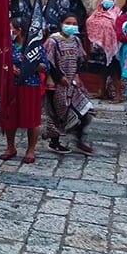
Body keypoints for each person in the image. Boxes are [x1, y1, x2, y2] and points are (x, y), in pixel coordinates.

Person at [44, 13, 94, 154]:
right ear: (61, 23)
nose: (71, 26)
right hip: (56, 83)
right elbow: (48, 61)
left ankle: (79, 140)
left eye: (74, 24)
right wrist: (59, 77)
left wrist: (76, 75)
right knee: (57, 113)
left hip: (73, 82)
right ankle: (54, 141)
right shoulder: (53, 41)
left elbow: (79, 59)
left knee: (84, 111)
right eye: (68, 23)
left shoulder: (75, 40)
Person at [1, 17, 47, 164]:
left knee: (31, 119)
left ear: (19, 30)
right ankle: (10, 147)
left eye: (11, 28)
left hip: (30, 85)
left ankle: (31, 149)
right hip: (12, 85)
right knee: (10, 117)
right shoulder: (9, 46)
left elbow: (45, 66)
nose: (9, 31)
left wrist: (28, 64)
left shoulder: (35, 46)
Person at [86, 0, 123, 102]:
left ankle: (118, 94)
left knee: (114, 70)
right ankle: (101, 91)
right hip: (98, 46)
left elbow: (118, 27)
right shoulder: (96, 12)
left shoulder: (117, 12)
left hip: (112, 47)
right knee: (101, 69)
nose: (107, 0)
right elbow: (89, 23)